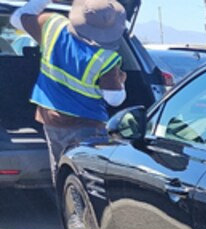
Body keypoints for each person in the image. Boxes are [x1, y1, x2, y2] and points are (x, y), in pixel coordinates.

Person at [11, 0, 128, 186]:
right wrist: (120, 81)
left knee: (61, 171)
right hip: (89, 124)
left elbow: (17, 18)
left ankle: (67, 209)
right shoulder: (106, 58)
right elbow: (114, 99)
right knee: (89, 180)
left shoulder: (53, 26)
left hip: (52, 119)